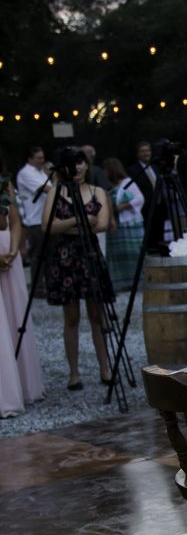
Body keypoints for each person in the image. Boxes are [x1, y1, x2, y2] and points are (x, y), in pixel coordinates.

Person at [41, 150, 114, 390]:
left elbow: (102, 224)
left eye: (81, 162)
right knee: (71, 317)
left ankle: (105, 368)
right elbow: (48, 226)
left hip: (90, 256)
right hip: (65, 259)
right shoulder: (56, 192)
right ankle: (74, 373)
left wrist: (69, 225)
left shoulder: (97, 191)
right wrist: (79, 220)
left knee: (97, 315)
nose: (78, 168)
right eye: (74, 164)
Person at [0, 166, 45, 417]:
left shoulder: (4, 183)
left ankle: (24, 383)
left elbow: (15, 218)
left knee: (16, 316)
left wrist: (15, 248)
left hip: (9, 253)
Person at [103, 157, 145, 289]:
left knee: (133, 253)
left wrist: (121, 207)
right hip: (117, 224)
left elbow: (139, 199)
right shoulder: (109, 186)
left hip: (130, 223)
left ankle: (137, 281)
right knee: (118, 254)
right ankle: (121, 281)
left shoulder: (128, 182)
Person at [15, 146, 52, 274]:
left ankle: (49, 286)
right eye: (38, 158)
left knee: (49, 256)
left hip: (47, 218)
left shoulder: (41, 171)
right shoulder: (26, 173)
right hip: (35, 220)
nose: (42, 160)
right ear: (30, 159)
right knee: (38, 256)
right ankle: (38, 289)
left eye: (43, 157)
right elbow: (44, 188)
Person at [126, 140, 161, 250]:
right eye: (143, 151)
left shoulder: (155, 168)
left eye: (148, 150)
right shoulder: (133, 170)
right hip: (145, 208)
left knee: (159, 232)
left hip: (159, 207)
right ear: (138, 154)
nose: (146, 153)